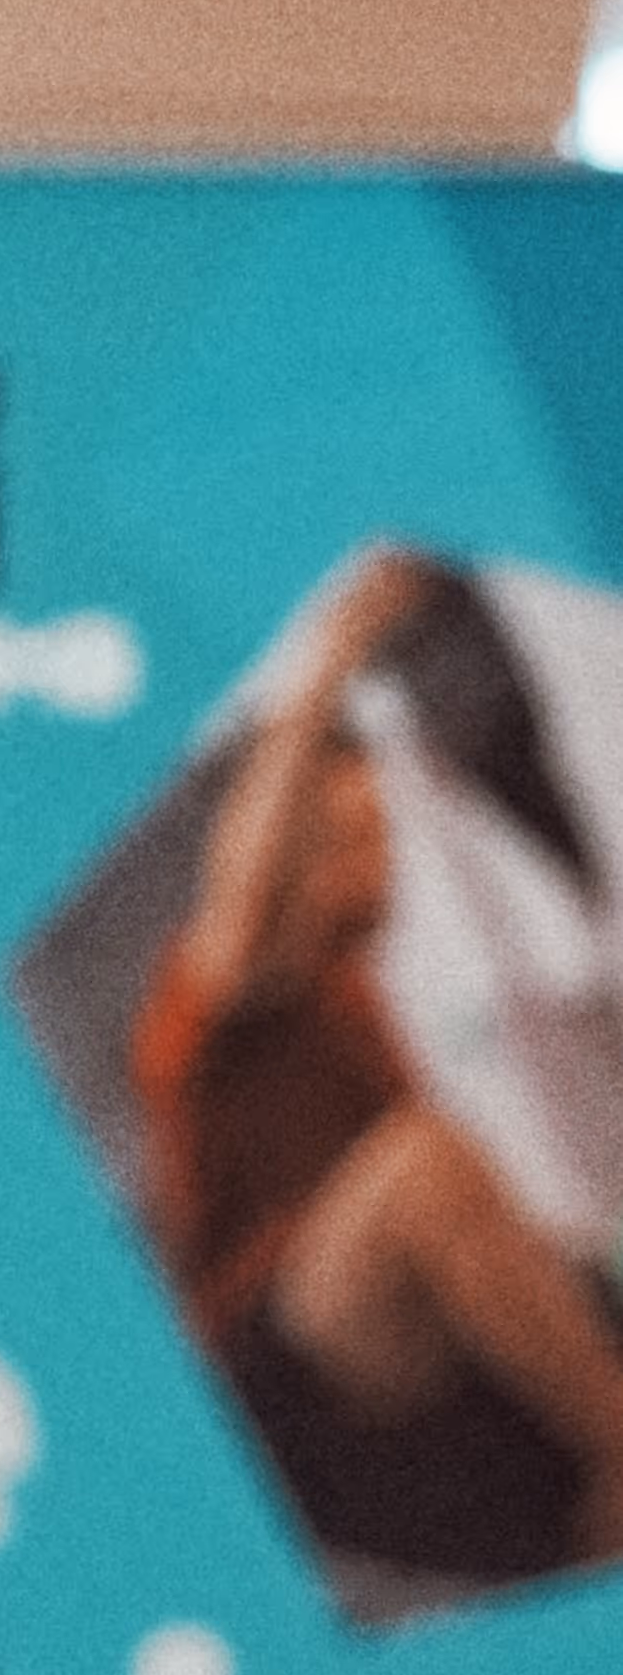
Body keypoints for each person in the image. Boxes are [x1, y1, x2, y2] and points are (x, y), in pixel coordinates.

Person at [133, 539, 623, 1590]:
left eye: (375, 839)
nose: (367, 865)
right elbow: (249, 902)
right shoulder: (225, 996)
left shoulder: (397, 993)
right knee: (423, 1166)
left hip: (437, 1380)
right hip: (286, 1368)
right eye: (337, 845)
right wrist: (332, 656)